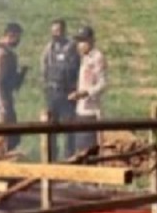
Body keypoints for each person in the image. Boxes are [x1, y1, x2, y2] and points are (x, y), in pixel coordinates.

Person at [40, 19, 80, 160]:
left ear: (64, 31)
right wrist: (46, 86)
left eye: (58, 30)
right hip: (52, 93)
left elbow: (77, 70)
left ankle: (70, 157)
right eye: (53, 31)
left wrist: (75, 89)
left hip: (67, 93)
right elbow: (44, 68)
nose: (55, 34)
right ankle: (52, 158)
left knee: (69, 128)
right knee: (51, 127)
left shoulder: (72, 48)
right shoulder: (49, 48)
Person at [67, 26, 107, 155]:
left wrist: (86, 93)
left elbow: (102, 84)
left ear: (91, 41)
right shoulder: (84, 58)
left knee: (89, 150)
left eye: (83, 41)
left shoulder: (97, 57)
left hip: (91, 111)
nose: (80, 45)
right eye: (79, 41)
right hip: (80, 109)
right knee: (80, 149)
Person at [0, 22, 27, 152]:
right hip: (1, 97)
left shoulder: (9, 53)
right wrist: (1, 104)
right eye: (17, 37)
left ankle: (5, 153)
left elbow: (13, 82)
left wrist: (22, 73)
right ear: (10, 35)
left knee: (12, 135)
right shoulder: (1, 53)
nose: (18, 41)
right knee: (4, 133)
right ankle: (0, 156)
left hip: (6, 96)